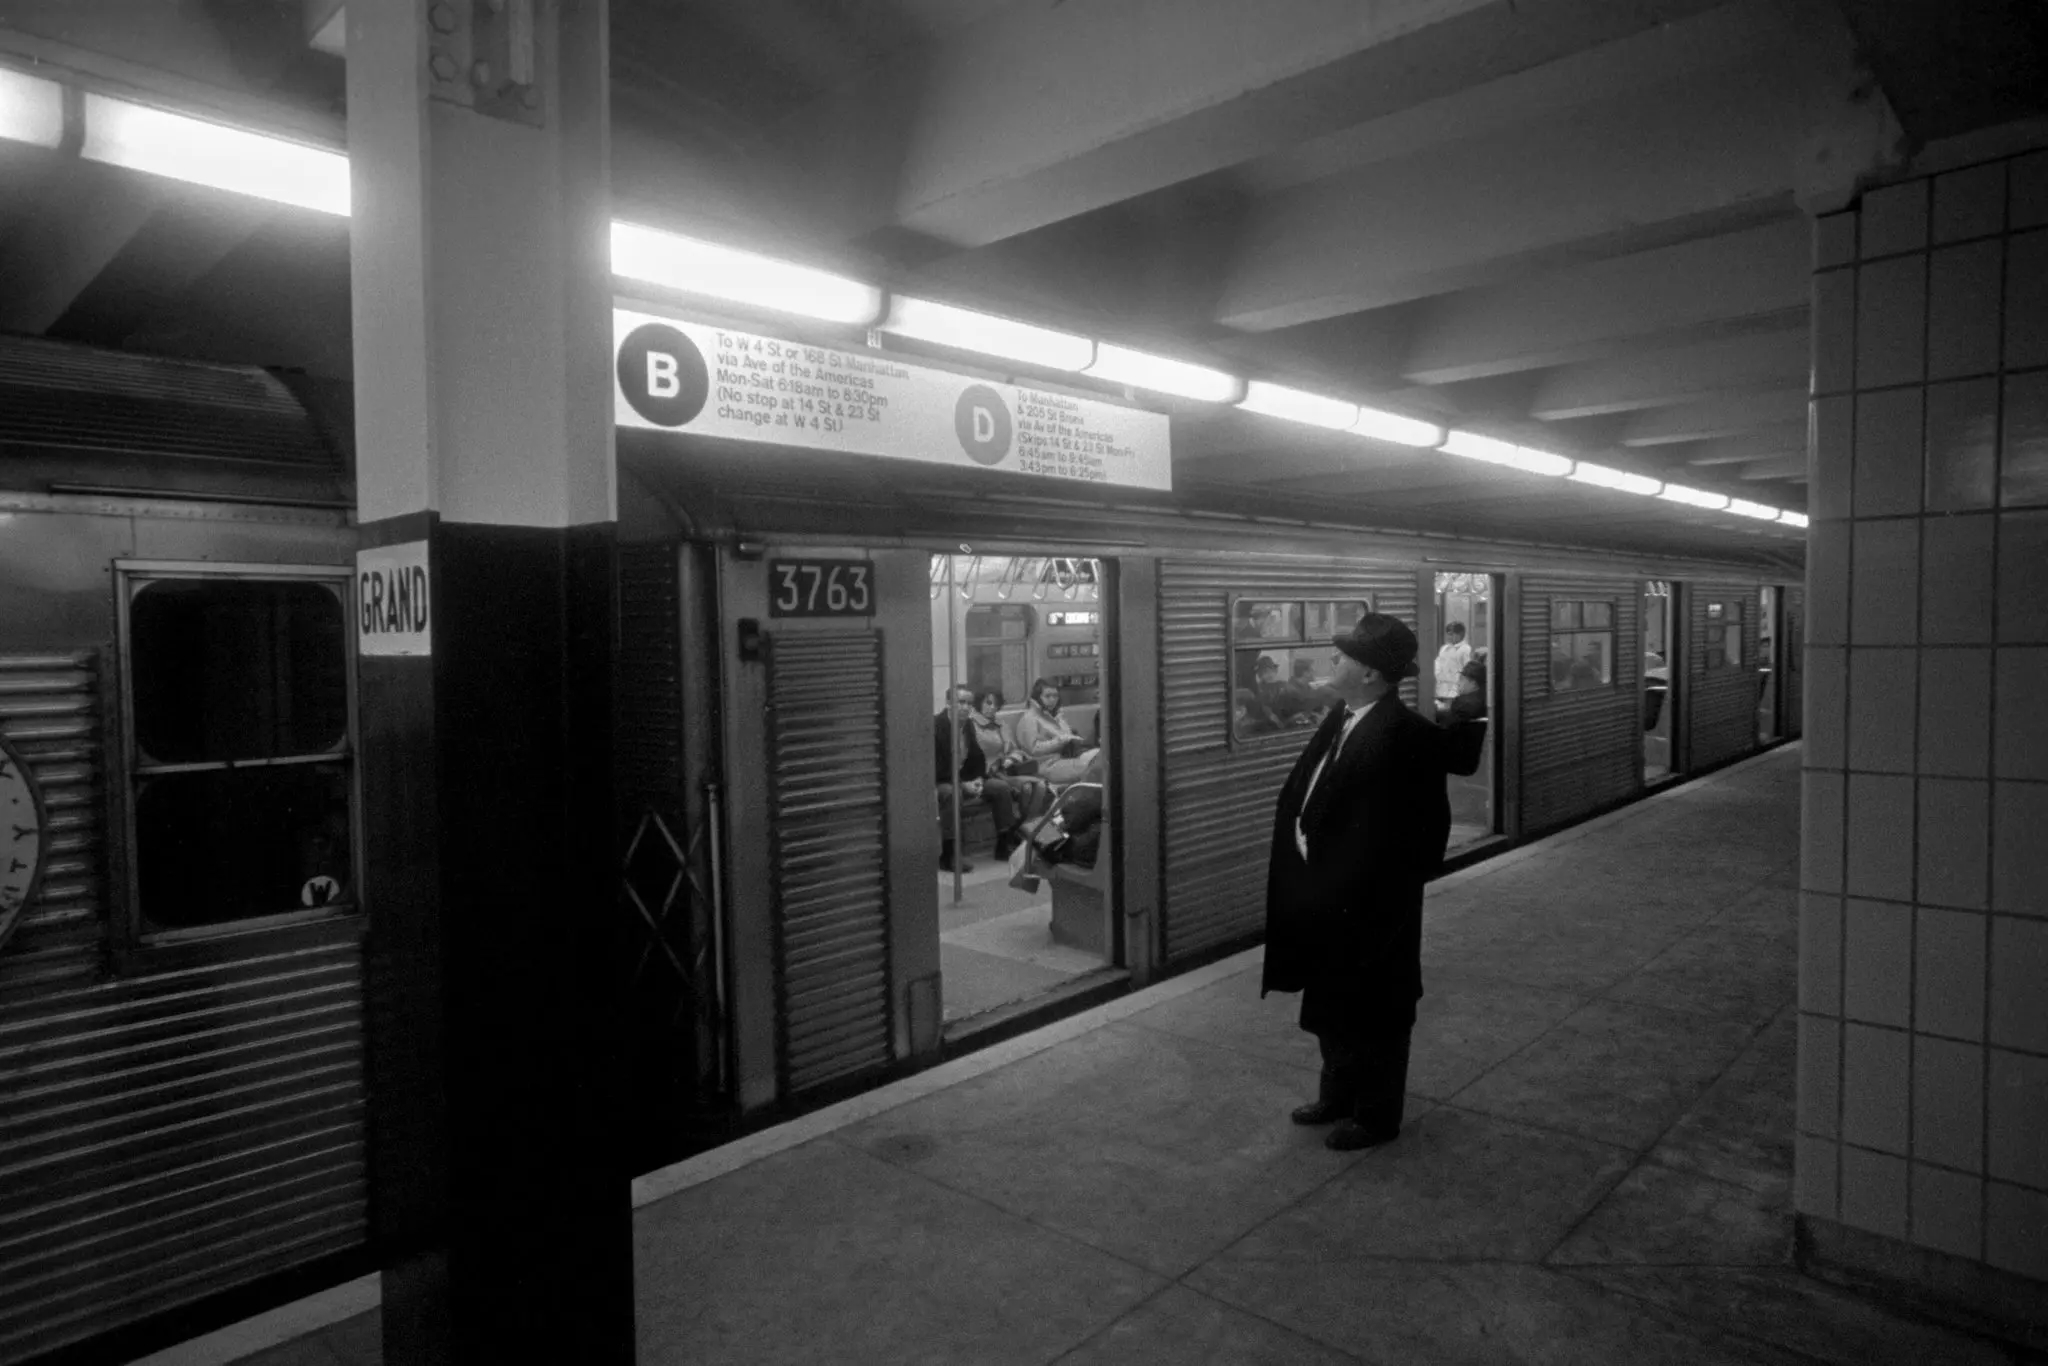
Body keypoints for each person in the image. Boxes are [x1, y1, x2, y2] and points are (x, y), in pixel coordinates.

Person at [1261, 613, 1486, 1151]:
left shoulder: (1402, 734)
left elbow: (1428, 830)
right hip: (1325, 897)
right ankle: (1337, 1096)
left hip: (1374, 907)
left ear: (1367, 675)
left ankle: (1377, 1116)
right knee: (1332, 1004)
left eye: (1342, 656)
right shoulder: (1344, 715)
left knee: (1378, 1011)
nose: (1332, 661)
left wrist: (1381, 892)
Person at [935, 686, 1028, 872]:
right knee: (951, 794)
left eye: (968, 703)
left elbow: (976, 756)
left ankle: (1004, 843)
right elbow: (936, 766)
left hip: (966, 778)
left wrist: (978, 778)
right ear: (948, 703)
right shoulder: (936, 727)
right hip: (942, 780)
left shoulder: (967, 725)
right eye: (960, 702)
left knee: (1000, 787)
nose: (965, 707)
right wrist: (963, 784)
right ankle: (949, 853)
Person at [971, 690, 1050, 813]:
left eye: (996, 704)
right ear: (979, 703)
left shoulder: (1002, 725)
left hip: (1007, 769)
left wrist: (1011, 758)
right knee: (1027, 788)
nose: (992, 707)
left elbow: (1015, 750)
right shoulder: (972, 726)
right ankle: (1019, 823)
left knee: (1040, 786)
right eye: (988, 703)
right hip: (986, 772)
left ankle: (1029, 825)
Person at [1433, 622, 1472, 720]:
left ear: (1461, 634)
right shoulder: (1444, 648)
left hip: (1456, 689)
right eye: (1448, 634)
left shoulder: (1465, 649)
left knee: (1452, 714)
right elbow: (1438, 664)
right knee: (1442, 713)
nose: (1449, 637)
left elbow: (1467, 669)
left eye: (1452, 634)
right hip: (1441, 688)